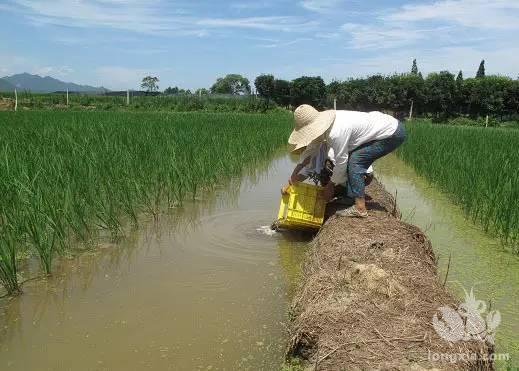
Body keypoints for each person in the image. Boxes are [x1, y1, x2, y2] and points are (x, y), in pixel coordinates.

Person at [286, 104, 406, 218]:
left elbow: (341, 162)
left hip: (392, 133)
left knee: (355, 161)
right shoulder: (325, 128)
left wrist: (330, 186)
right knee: (352, 158)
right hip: (386, 126)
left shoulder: (335, 133)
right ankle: (350, 197)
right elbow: (310, 152)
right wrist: (293, 176)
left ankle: (360, 208)